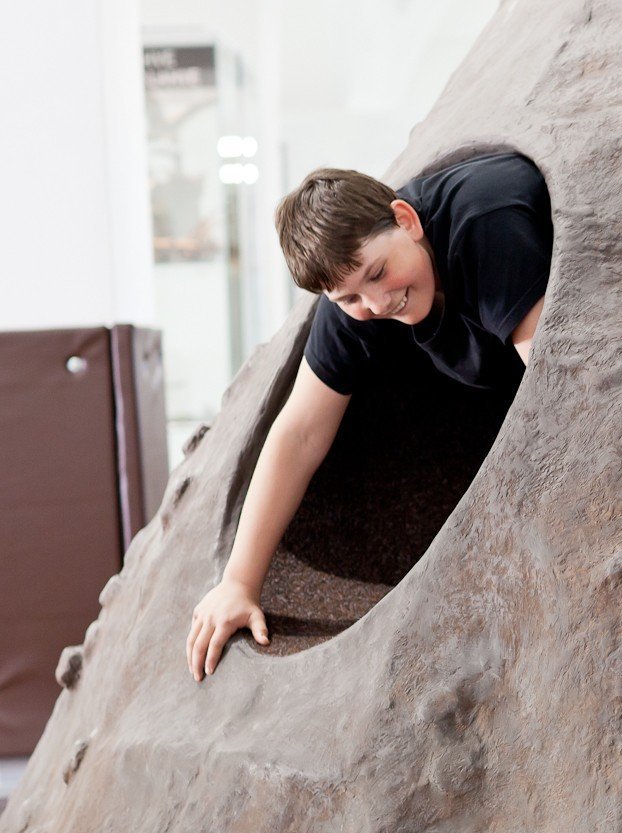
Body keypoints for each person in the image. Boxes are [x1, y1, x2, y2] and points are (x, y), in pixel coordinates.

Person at [186, 150, 552, 681]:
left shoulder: (482, 223)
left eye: (379, 272)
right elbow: (300, 431)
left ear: (406, 219)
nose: (378, 303)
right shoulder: (354, 306)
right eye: (349, 296)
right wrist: (238, 583)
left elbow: (555, 377)